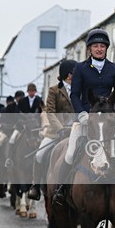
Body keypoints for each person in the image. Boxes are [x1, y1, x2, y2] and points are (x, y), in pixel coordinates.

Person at [52, 28, 115, 205]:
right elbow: (75, 94)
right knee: (70, 152)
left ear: (106, 48)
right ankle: (61, 189)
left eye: (102, 46)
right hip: (87, 118)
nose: (99, 49)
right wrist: (81, 114)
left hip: (110, 119)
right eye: (95, 46)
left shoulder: (114, 68)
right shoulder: (80, 68)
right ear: (89, 49)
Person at [28, 59, 77, 200]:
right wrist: (61, 129)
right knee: (39, 155)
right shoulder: (54, 90)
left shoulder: (80, 90)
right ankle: (35, 187)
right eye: (76, 73)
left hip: (76, 130)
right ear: (68, 75)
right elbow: (50, 112)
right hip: (56, 132)